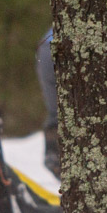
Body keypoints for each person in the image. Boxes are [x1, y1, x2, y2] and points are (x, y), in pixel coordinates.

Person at [35, 27, 60, 180]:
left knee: (57, 112)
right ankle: (55, 156)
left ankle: (54, 156)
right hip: (59, 46)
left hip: (47, 46)